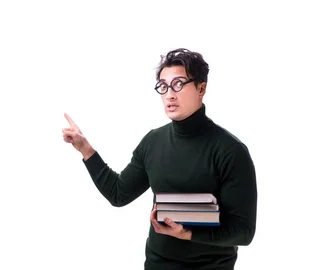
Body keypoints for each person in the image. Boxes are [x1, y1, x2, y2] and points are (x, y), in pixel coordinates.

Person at [62, 48, 258, 270]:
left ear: (201, 88)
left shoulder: (231, 150)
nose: (170, 94)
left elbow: (244, 232)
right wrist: (86, 150)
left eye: (179, 84)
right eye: (164, 86)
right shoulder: (153, 142)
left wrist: (187, 233)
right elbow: (118, 194)